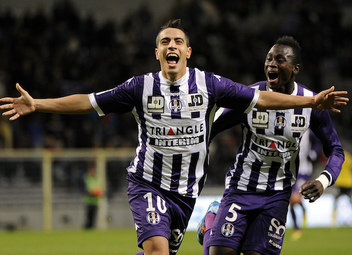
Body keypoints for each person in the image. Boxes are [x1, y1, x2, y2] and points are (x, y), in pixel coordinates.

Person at [0, 20, 348, 255]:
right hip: (149, 183)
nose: (171, 45)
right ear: (157, 53)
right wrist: (39, 104)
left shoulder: (211, 85)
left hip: (189, 194)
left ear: (188, 52)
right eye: (164, 41)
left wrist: (311, 101)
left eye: (178, 41)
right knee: (160, 250)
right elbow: (89, 101)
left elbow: (262, 100)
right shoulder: (139, 87)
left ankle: (208, 220)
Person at [197, 36, 346, 255]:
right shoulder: (249, 97)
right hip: (241, 187)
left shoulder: (313, 102)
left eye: (279, 59)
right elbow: (208, 130)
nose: (271, 64)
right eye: (268, 59)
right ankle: (212, 221)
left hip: (276, 196)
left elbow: (336, 149)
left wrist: (323, 181)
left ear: (295, 68)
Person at [289, 129, 320, 240]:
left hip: (304, 171)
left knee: (294, 199)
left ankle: (297, 228)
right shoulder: (289, 129)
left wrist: (313, 153)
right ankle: (298, 224)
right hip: (291, 171)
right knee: (291, 202)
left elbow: (318, 143)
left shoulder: (309, 132)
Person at [332, 150, 352, 227]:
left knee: (336, 200)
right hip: (348, 183)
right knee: (350, 201)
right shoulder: (349, 157)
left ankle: (333, 220)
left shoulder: (337, 157)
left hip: (340, 183)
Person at [83, 163, 103, 229]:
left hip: (95, 201)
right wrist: (94, 192)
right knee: (88, 217)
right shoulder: (87, 179)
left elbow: (99, 189)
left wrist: (97, 192)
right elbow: (87, 190)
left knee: (93, 217)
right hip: (89, 201)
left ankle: (91, 228)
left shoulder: (96, 179)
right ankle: (87, 228)